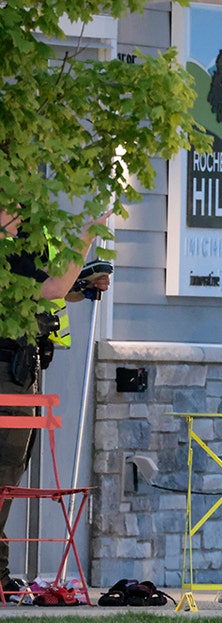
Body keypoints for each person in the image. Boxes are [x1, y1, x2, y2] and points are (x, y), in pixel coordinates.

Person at [0, 207, 111, 602]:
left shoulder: (31, 231)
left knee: (10, 471)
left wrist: (83, 285)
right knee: (3, 470)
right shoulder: (5, 241)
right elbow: (45, 289)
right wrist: (86, 236)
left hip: (23, 366)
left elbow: (51, 287)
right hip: (5, 366)